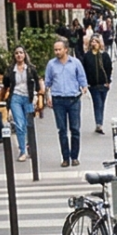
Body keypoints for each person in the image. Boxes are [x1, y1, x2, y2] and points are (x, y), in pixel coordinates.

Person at [45, 38, 88, 167]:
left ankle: (74, 156)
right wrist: (48, 97)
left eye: (59, 49)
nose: (57, 52)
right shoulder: (51, 65)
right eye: (55, 50)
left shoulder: (75, 63)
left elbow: (81, 77)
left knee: (75, 129)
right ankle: (65, 157)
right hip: (58, 100)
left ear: (66, 50)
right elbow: (48, 82)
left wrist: (84, 87)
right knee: (62, 130)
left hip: (73, 99)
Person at [1, 47, 36, 161]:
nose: (19, 55)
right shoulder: (11, 70)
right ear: (14, 56)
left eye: (21, 53)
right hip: (15, 97)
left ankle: (30, 148)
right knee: (20, 125)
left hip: (28, 98)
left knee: (29, 125)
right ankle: (22, 151)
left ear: (25, 54)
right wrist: (2, 98)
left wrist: (40, 95)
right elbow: (6, 85)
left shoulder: (30, 69)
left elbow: (38, 80)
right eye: (16, 53)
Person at [83, 35, 115, 140]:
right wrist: (86, 82)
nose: (94, 43)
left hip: (103, 84)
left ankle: (99, 121)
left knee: (102, 103)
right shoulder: (87, 56)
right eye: (92, 42)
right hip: (93, 85)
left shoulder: (104, 55)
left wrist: (108, 81)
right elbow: (85, 69)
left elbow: (109, 68)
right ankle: (99, 124)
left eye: (96, 42)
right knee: (98, 103)